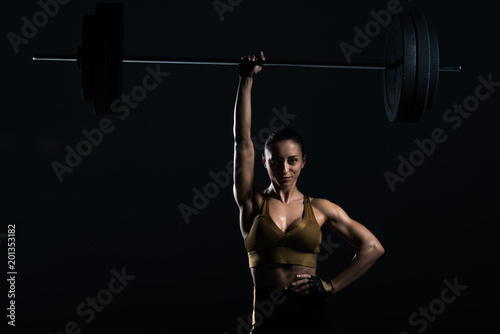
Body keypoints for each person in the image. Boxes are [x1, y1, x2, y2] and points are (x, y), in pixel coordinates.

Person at [233, 51, 385, 334]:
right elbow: (242, 141)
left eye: (292, 161)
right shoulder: (252, 203)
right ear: (264, 162)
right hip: (268, 319)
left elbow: (373, 247)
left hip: (311, 318)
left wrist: (330, 286)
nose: (284, 169)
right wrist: (246, 79)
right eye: (275, 161)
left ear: (303, 161)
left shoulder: (321, 208)